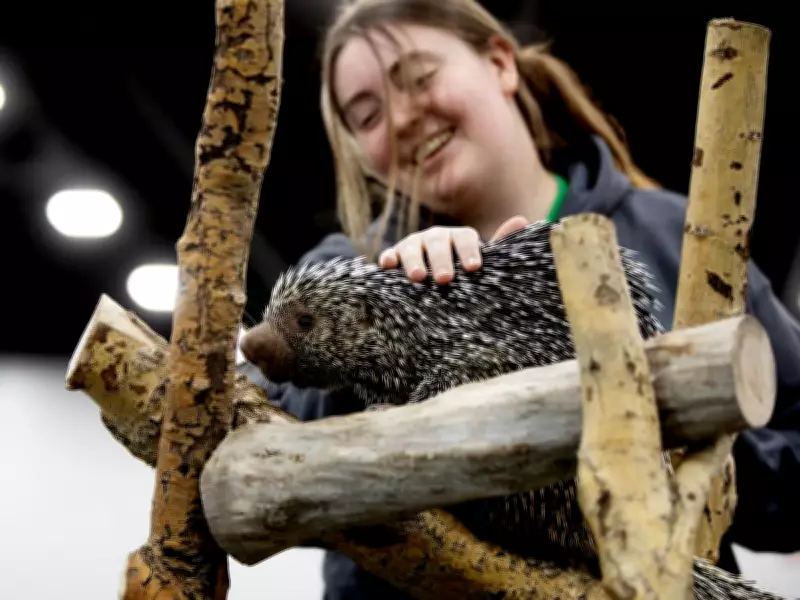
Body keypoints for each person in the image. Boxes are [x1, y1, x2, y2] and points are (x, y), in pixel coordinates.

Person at [239, 0, 800, 597]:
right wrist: (402, 332)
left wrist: (682, 445)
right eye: (367, 116)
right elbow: (262, 448)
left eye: (420, 78)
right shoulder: (341, 267)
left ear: (501, 63)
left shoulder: (680, 236)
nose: (402, 117)